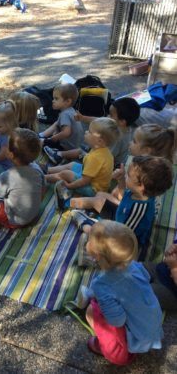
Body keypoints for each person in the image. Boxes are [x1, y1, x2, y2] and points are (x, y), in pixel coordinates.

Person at [82, 220, 163, 366]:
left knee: (90, 311)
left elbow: (117, 320)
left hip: (137, 339)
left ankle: (112, 350)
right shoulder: (134, 265)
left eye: (89, 240)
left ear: (98, 257)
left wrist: (101, 302)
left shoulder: (101, 284)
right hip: (153, 327)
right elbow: (145, 276)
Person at [71, 156, 173, 263]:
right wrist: (121, 179)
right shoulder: (140, 193)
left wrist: (103, 228)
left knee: (95, 230)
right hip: (121, 215)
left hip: (124, 237)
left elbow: (123, 237)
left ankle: (86, 224)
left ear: (141, 186)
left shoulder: (138, 210)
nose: (126, 176)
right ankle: (67, 201)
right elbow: (122, 196)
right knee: (100, 195)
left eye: (128, 176)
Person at [45, 118, 119, 208]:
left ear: (99, 141)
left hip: (93, 189)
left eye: (89, 132)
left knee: (66, 174)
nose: (86, 132)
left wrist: (70, 186)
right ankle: (47, 169)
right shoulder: (104, 151)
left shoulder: (94, 158)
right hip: (93, 179)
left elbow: (84, 181)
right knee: (72, 164)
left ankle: (43, 177)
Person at [0, 128, 45, 228]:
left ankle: (0, 220)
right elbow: (43, 189)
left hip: (16, 219)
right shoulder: (37, 169)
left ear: (10, 154)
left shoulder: (8, 175)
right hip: (33, 215)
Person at [39, 83, 84, 156]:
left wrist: (54, 138)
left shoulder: (64, 115)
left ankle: (55, 153)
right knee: (57, 123)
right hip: (75, 144)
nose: (53, 101)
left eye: (56, 99)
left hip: (66, 147)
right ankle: (42, 135)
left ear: (68, 101)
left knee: (40, 143)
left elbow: (66, 132)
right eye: (53, 98)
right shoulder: (71, 110)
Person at [144, 240, 177, 312]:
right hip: (159, 269)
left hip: (171, 291)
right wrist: (169, 252)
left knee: (143, 292)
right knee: (135, 268)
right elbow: (166, 258)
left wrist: (174, 268)